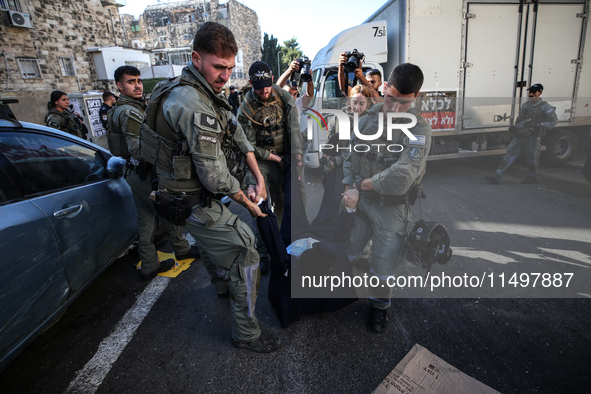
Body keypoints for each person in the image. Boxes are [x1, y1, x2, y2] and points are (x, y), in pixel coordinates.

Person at [139, 22, 280, 353]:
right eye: (219, 67)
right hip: (192, 199)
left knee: (220, 243)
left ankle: (221, 286)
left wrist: (258, 176)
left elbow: (236, 132)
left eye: (230, 67)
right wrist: (250, 204)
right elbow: (215, 177)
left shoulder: (203, 90)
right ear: (196, 58)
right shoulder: (192, 103)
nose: (225, 75)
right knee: (245, 250)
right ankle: (247, 334)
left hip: (192, 194)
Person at [342, 63, 432, 333]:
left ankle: (379, 307)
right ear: (383, 88)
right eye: (391, 98)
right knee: (350, 248)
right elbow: (350, 154)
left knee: (383, 266)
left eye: (403, 103)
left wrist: (361, 185)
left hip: (391, 210)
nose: (394, 108)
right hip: (358, 201)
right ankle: (342, 289)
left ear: (416, 96)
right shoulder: (368, 118)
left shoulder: (419, 129)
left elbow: (402, 177)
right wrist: (348, 186)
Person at [107, 65, 198, 281]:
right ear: (119, 86)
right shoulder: (129, 112)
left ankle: (149, 265)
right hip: (145, 173)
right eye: (131, 81)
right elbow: (137, 149)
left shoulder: (126, 107)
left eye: (138, 80)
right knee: (167, 211)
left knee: (146, 220)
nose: (138, 85)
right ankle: (181, 248)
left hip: (133, 173)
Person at [237, 61, 304, 272]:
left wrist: (297, 159)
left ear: (273, 80)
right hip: (260, 162)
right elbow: (248, 147)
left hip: (284, 156)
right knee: (259, 204)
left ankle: (283, 243)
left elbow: (294, 128)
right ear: (250, 83)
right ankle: (264, 251)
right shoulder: (245, 109)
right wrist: (274, 159)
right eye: (258, 87)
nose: (264, 91)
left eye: (267, 85)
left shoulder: (282, 97)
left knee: (285, 201)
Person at [485, 83, 557, 184]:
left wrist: (537, 124)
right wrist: (516, 128)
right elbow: (520, 119)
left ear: (540, 93)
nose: (531, 94)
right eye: (530, 91)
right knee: (509, 155)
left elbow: (553, 122)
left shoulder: (545, 107)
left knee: (531, 158)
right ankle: (497, 175)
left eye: (534, 92)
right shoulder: (526, 105)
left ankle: (533, 177)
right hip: (521, 135)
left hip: (533, 137)